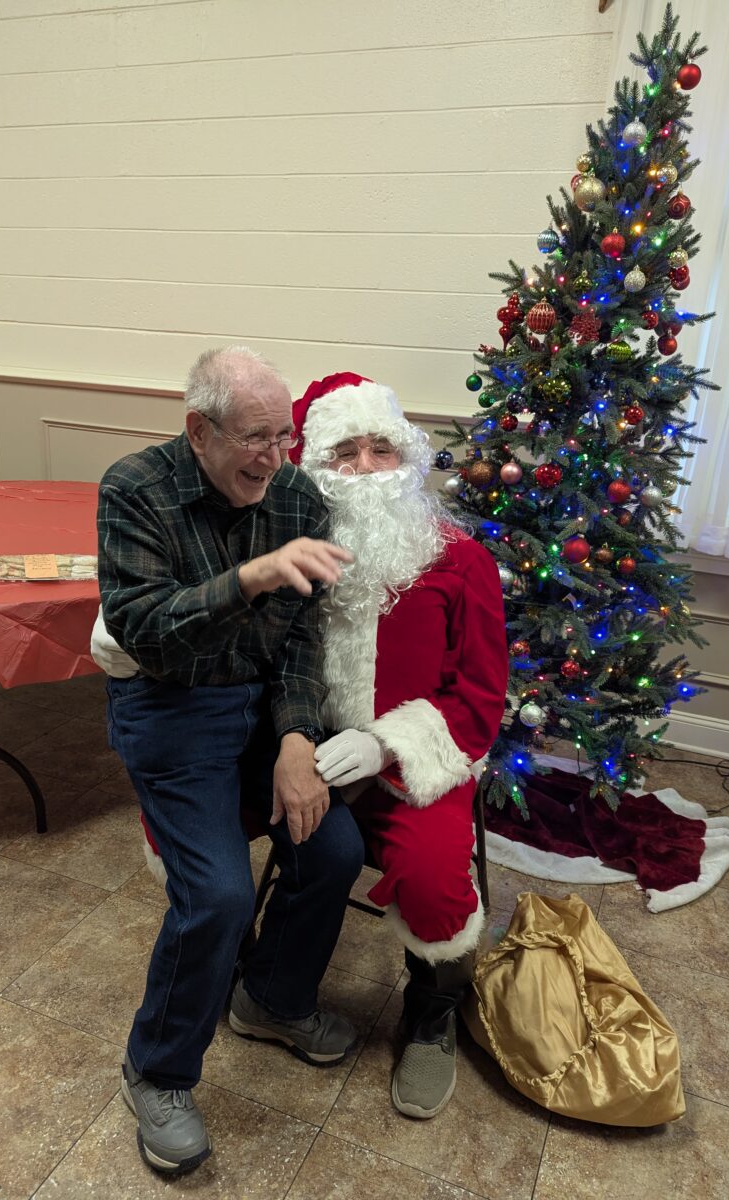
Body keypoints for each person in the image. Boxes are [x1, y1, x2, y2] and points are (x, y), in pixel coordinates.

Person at [95, 346, 365, 1176]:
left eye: (284, 437)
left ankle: (271, 999)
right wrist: (249, 577)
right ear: (198, 430)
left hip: (263, 708)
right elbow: (145, 629)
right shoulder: (134, 489)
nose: (273, 457)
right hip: (171, 707)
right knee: (217, 895)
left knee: (333, 850)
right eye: (255, 437)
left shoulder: (297, 496)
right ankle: (157, 1070)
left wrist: (296, 739)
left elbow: (303, 636)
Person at [289, 373, 509, 1120]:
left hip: (415, 765)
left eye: (381, 448)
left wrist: (386, 745)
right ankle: (262, 977)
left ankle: (431, 1013)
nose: (365, 467)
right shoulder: (289, 552)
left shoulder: (461, 561)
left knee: (432, 876)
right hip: (305, 750)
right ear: (315, 466)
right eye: (344, 452)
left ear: (407, 457)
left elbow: (480, 698)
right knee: (211, 818)